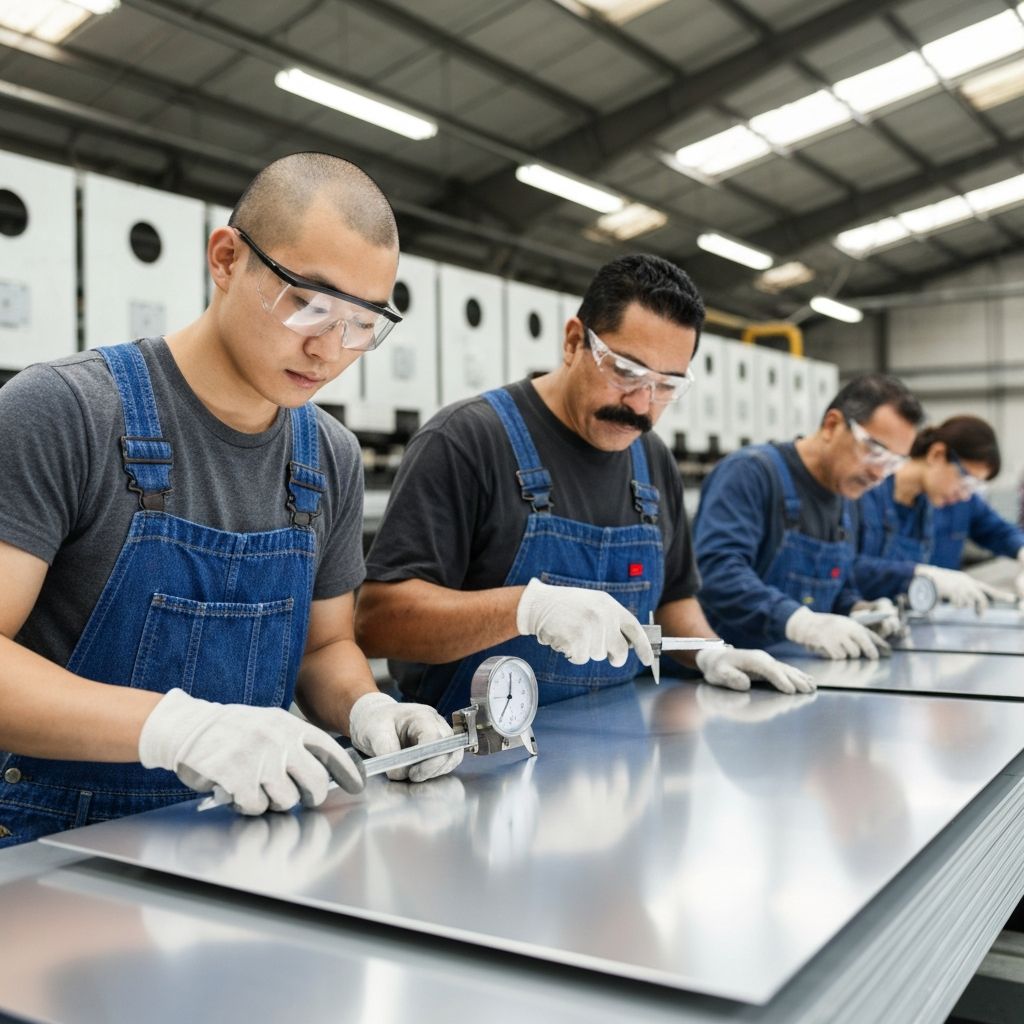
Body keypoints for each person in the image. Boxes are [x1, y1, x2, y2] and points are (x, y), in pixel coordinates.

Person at [0, 152, 461, 849]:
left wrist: (368, 707)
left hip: (244, 850)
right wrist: (181, 731)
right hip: (53, 856)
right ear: (226, 259)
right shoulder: (66, 411)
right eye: (309, 303)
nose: (330, 349)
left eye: (362, 322)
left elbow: (326, 646)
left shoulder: (327, 458)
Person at [354, 254, 813, 719]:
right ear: (574, 342)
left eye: (666, 385)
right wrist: (526, 609)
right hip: (474, 753)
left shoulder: (653, 460)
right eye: (626, 372)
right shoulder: (466, 440)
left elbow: (674, 597)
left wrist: (710, 652)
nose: (641, 405)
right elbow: (378, 622)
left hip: (616, 746)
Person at [693, 374, 924, 660]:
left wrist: (859, 609)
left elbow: (837, 587)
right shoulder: (751, 473)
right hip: (720, 670)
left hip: (794, 670)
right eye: (874, 451)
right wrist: (799, 622)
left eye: (892, 463)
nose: (878, 474)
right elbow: (717, 571)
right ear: (832, 425)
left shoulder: (846, 497)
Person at [853, 415, 1021, 612]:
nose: (966, 494)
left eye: (974, 487)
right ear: (937, 455)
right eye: (966, 480)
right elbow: (849, 568)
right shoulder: (866, 494)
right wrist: (919, 574)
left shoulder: (956, 502)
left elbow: (999, 531)